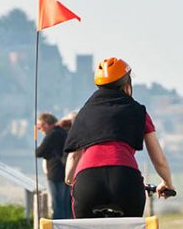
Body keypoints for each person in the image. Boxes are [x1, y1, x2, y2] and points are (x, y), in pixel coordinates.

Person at [62, 57, 175, 219]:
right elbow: (159, 160)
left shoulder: (84, 113)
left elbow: (73, 156)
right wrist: (167, 183)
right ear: (127, 87)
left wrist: (70, 180)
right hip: (125, 179)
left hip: (88, 181)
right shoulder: (139, 112)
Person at [35, 112, 71, 219]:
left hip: (54, 172)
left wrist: (47, 154)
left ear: (46, 124)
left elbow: (39, 152)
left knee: (57, 204)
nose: (40, 129)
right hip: (66, 171)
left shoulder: (52, 134)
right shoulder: (64, 132)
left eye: (40, 126)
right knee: (65, 203)